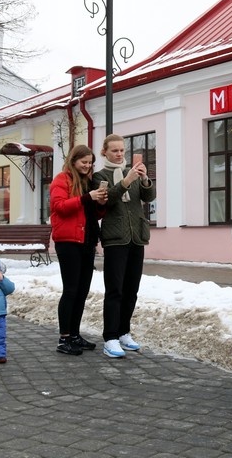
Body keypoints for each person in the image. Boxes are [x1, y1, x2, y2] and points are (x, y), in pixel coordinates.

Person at [91, 134, 156, 358]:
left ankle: (123, 332)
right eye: (115, 151)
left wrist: (145, 179)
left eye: (122, 151)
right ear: (105, 152)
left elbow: (149, 196)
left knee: (132, 289)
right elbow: (107, 199)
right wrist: (126, 181)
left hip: (137, 236)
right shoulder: (100, 175)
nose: (119, 154)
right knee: (115, 290)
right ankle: (110, 337)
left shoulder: (134, 172)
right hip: (115, 238)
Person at [50, 144, 107, 355]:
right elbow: (59, 207)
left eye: (90, 163)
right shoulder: (62, 180)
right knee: (71, 290)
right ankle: (63, 338)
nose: (87, 166)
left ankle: (74, 334)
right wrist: (87, 198)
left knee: (82, 291)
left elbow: (93, 214)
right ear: (74, 161)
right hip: (68, 242)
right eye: (84, 162)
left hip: (87, 240)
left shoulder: (86, 182)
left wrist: (100, 203)